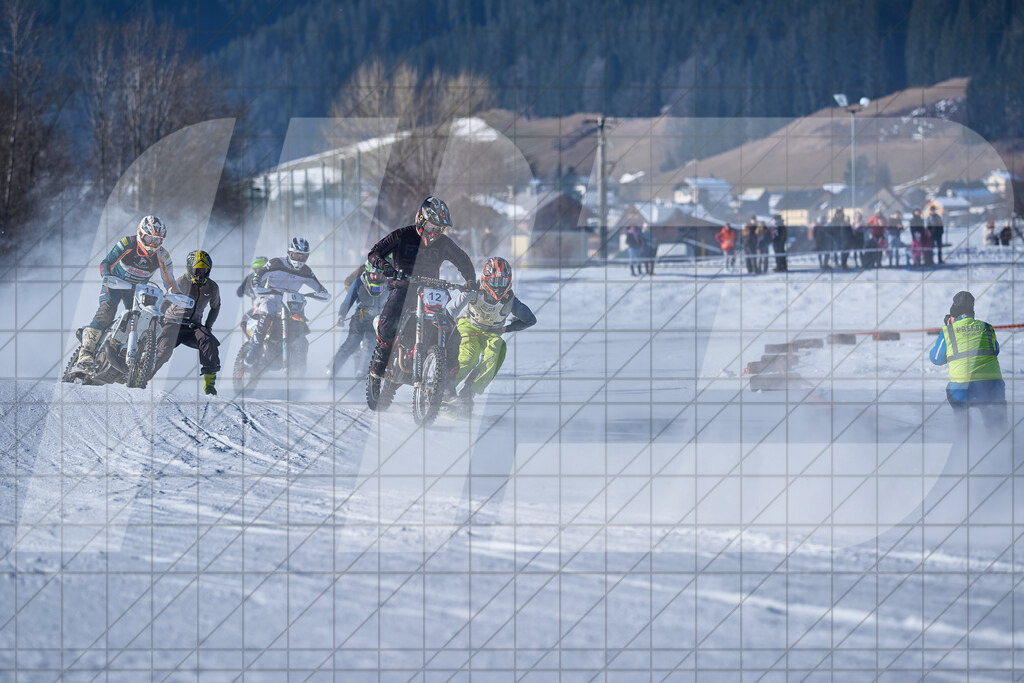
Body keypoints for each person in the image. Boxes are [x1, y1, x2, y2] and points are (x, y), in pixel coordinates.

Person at [366, 196, 477, 383]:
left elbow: (463, 260)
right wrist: (384, 266)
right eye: (433, 226)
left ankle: (448, 381)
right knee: (388, 320)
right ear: (421, 220)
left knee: (452, 330)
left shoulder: (443, 243)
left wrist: (471, 281)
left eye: (440, 228)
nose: (436, 231)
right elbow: (374, 252)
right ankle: (379, 363)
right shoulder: (402, 235)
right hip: (403, 287)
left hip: (431, 292)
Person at [72, 215, 178, 373]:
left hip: (137, 290)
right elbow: (105, 262)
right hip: (115, 283)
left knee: (143, 318)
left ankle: (122, 351)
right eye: (149, 238)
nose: (152, 244)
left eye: (157, 240)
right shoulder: (127, 243)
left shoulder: (163, 255)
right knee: (107, 309)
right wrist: (107, 276)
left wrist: (178, 295)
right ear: (141, 234)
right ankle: (85, 353)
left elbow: (169, 281)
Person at [447, 257, 536, 412]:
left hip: (491, 332)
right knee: (470, 356)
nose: (499, 287)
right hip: (468, 326)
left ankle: (469, 392)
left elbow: (530, 320)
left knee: (498, 349)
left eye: (503, 282)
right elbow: (451, 311)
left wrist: (505, 329)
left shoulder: (511, 301)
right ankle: (445, 391)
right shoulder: (474, 290)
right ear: (486, 278)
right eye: (495, 281)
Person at [244, 237, 329, 366]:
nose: (299, 259)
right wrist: (257, 286)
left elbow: (320, 288)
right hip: (272, 299)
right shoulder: (276, 263)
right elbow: (259, 275)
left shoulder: (306, 271)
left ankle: (299, 367)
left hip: (292, 305)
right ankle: (253, 351)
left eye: (302, 257)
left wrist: (323, 294)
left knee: (302, 329)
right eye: (296, 255)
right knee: (266, 314)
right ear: (289, 253)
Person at [929, 291, 1006, 429]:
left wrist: (948, 329)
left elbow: (936, 359)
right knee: (995, 416)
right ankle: (998, 434)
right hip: (993, 387)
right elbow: (996, 350)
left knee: (953, 392)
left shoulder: (948, 331)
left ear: (953, 314)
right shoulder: (987, 328)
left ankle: (963, 432)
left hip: (963, 390)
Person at [153, 250, 222, 395]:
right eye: (197, 270)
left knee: (209, 342)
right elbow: (165, 300)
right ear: (189, 268)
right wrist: (160, 318)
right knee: (163, 350)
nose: (200, 274)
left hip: (194, 327)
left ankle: (209, 386)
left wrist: (208, 327)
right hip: (173, 323)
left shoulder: (213, 287)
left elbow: (215, 307)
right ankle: (143, 378)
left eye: (204, 270)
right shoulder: (180, 282)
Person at [328, 260, 386, 378]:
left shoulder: (387, 284)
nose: (376, 277)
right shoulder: (359, 281)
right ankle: (332, 368)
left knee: (370, 343)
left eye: (379, 274)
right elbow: (348, 300)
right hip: (359, 318)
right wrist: (341, 315)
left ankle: (362, 372)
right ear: (368, 272)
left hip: (376, 321)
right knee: (352, 342)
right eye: (373, 274)